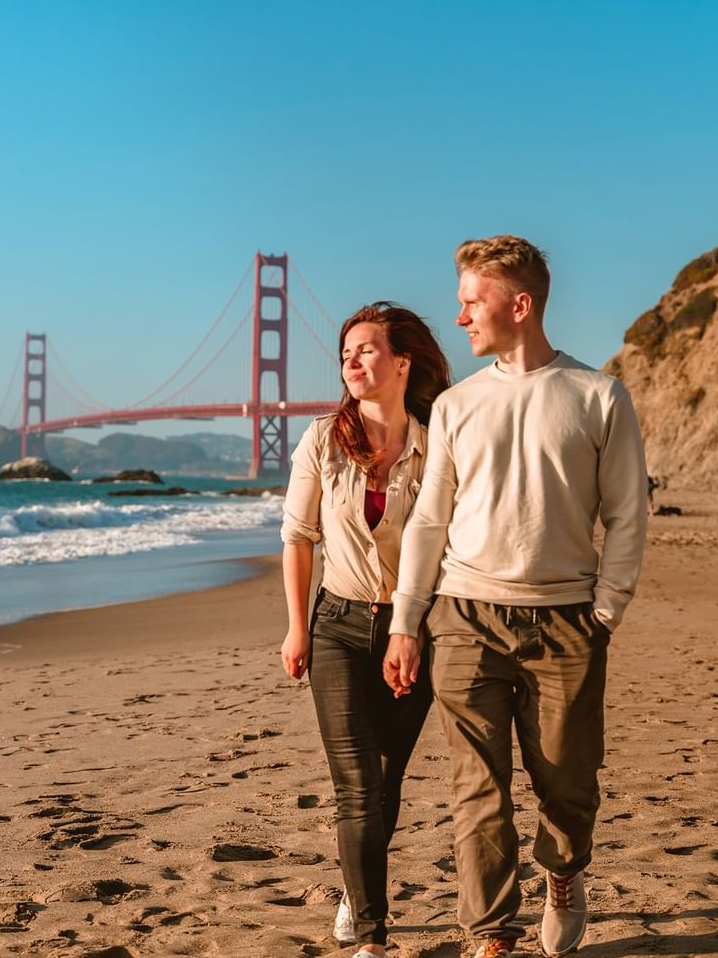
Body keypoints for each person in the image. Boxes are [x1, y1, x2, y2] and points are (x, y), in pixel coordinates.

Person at [383, 236, 648, 958]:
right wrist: (408, 621)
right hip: (466, 615)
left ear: (520, 305)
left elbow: (628, 514)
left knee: (567, 784)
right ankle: (490, 934)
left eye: (473, 301)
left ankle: (563, 874)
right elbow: (428, 521)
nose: (461, 316)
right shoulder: (457, 406)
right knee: (478, 787)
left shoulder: (599, 395)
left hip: (568, 620)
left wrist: (606, 610)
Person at [280, 301, 451, 958]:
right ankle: (373, 940)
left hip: (417, 631)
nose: (351, 360)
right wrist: (297, 630)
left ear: (404, 362)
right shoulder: (323, 438)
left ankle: (358, 885)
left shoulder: (440, 443)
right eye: (346, 351)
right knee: (356, 783)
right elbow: (298, 538)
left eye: (367, 349)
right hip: (339, 629)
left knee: (385, 778)